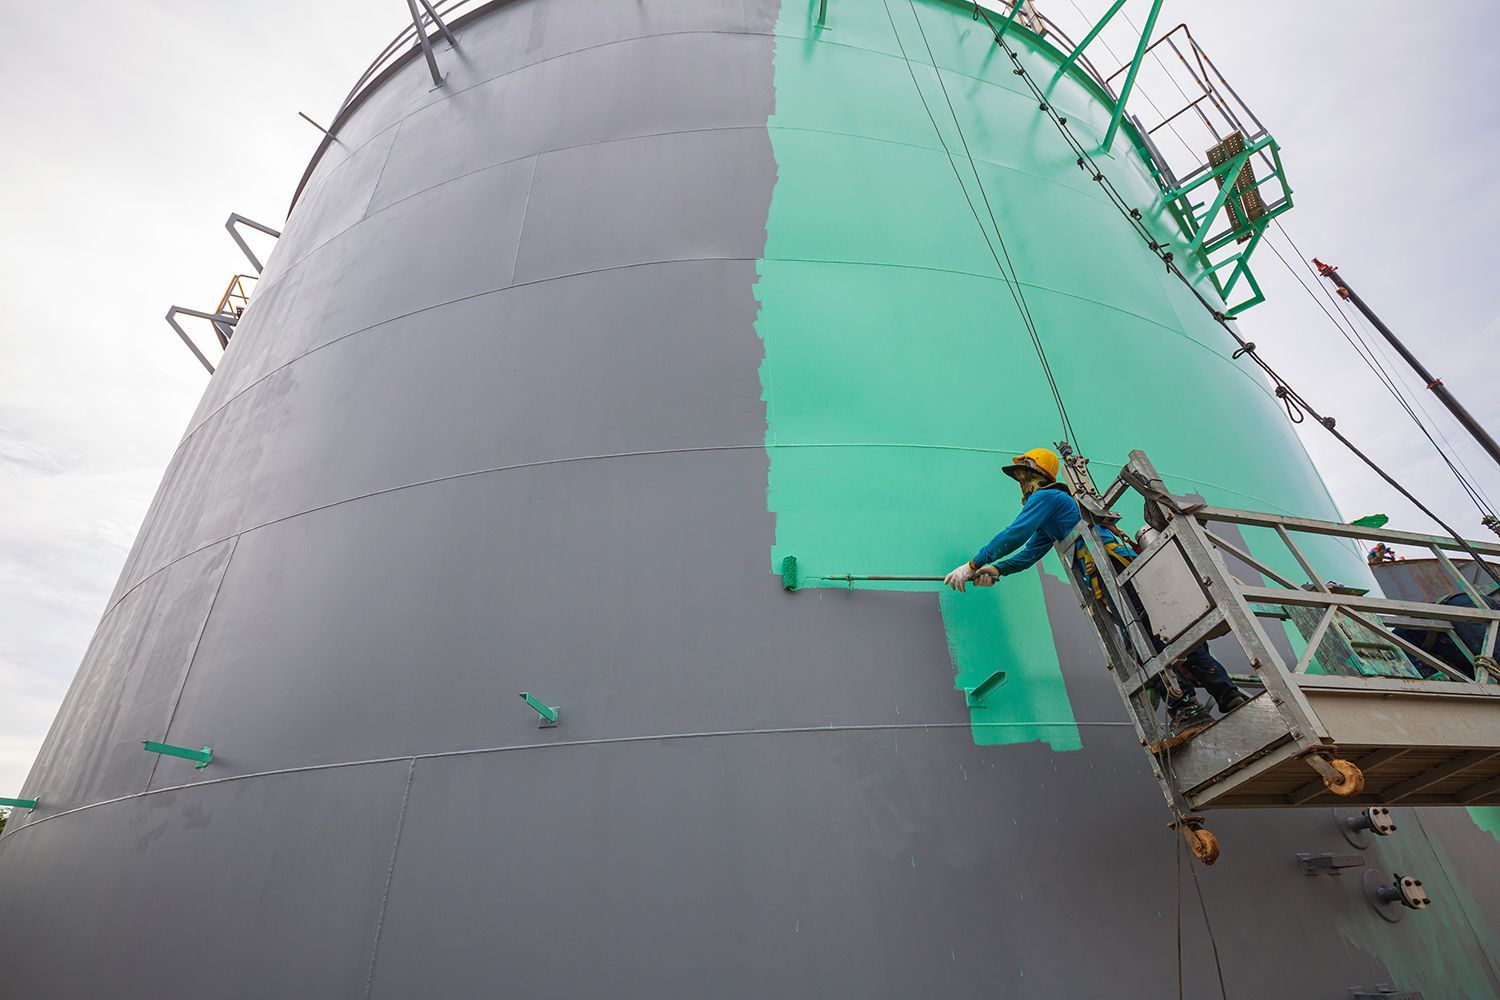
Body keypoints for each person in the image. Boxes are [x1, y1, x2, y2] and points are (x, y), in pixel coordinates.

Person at [944, 447, 1248, 747]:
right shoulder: (1055, 511)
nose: (1022, 486)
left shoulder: (1046, 497)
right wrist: (997, 570)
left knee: (1145, 639)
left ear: (1039, 476)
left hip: (1113, 569)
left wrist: (973, 564)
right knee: (1164, 632)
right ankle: (1227, 694)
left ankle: (1187, 708)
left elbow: (1016, 533)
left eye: (1024, 477)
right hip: (1115, 573)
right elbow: (1028, 553)